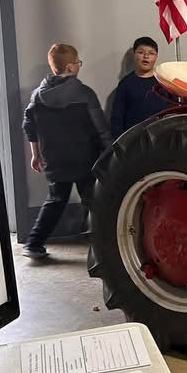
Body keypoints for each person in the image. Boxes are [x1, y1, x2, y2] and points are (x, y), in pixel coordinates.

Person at [22, 43, 112, 258]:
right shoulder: (85, 93)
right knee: (94, 201)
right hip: (85, 160)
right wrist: (111, 152)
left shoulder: (37, 96)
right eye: (78, 63)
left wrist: (35, 154)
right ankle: (103, 243)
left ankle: (33, 244)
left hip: (55, 159)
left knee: (55, 199)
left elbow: (29, 125)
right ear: (71, 67)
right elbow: (100, 127)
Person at [109, 36, 170, 139]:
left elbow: (172, 112)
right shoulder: (126, 84)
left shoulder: (164, 82)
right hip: (134, 140)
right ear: (134, 55)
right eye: (141, 52)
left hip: (162, 138)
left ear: (156, 57)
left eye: (151, 53)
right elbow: (117, 117)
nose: (146, 56)